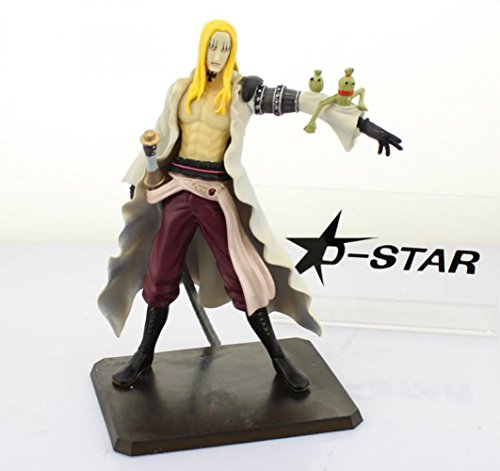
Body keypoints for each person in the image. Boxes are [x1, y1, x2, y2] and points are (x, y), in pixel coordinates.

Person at [98, 19, 402, 393]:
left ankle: (278, 357)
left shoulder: (243, 91)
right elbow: (159, 134)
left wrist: (360, 124)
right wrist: (137, 180)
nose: (218, 54)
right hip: (175, 190)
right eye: (213, 46)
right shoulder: (180, 89)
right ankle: (144, 355)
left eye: (225, 48)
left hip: (214, 195)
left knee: (245, 275)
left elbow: (297, 100)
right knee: (159, 274)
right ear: (203, 47)